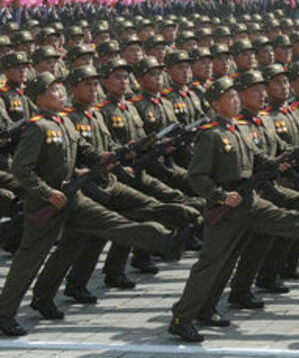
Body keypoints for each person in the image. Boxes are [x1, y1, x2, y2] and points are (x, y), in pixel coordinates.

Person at [167, 77, 299, 343]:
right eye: (229, 97)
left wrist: (275, 164)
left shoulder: (239, 128)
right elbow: (196, 176)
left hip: (250, 202)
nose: (235, 100)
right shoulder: (210, 134)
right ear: (215, 103)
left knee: (291, 222)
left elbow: (255, 157)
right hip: (226, 209)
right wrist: (220, 196)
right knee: (212, 265)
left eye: (236, 96)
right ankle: (181, 318)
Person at [0, 72, 190, 336]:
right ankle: (4, 314)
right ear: (40, 96)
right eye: (55, 89)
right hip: (46, 204)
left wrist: (105, 155)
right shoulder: (36, 127)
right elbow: (22, 169)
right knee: (29, 260)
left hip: (72, 197)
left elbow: (83, 149)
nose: (61, 92)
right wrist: (47, 193)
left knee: (111, 224)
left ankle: (165, 239)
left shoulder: (63, 122)